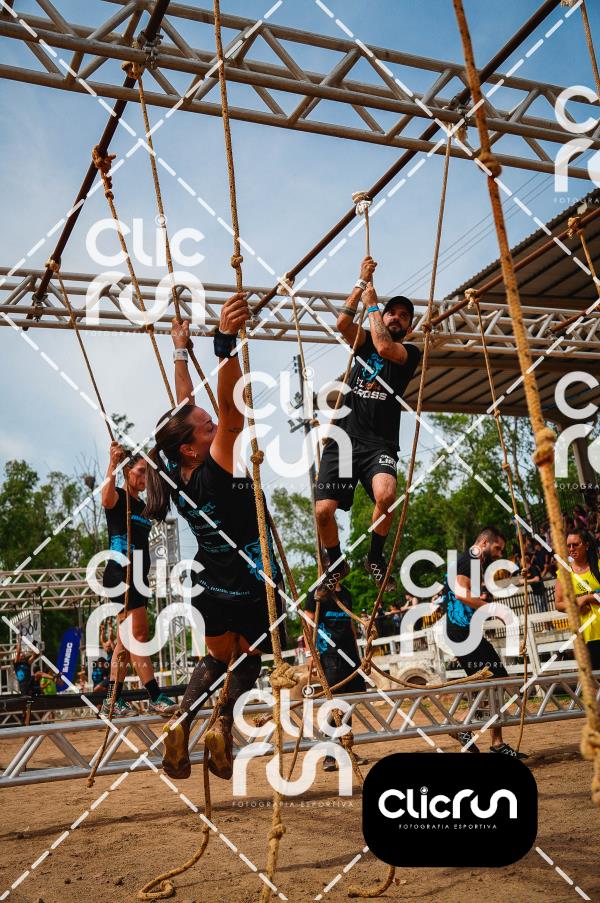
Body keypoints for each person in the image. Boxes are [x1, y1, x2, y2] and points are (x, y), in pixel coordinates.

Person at [145, 296, 286, 781]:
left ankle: (183, 720)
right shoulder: (218, 469)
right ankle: (221, 726)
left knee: (214, 658)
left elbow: (188, 411)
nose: (213, 427)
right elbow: (230, 411)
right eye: (207, 429)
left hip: (210, 584)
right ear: (193, 447)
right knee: (248, 660)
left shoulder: (174, 469)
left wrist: (180, 352)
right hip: (251, 581)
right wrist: (224, 346)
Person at [314, 256, 421, 597]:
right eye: (393, 312)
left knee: (386, 494)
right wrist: (360, 283)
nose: (396, 318)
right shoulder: (362, 342)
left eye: (403, 316)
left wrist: (373, 305)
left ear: (408, 328)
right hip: (344, 440)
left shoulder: (409, 353)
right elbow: (342, 323)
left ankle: (374, 556)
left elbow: (384, 346)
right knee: (323, 511)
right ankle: (335, 564)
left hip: (379, 444)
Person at [439, 526, 528, 758]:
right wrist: (494, 609)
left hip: (464, 632)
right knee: (497, 680)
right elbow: (461, 594)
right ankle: (477, 733)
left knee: (489, 685)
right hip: (462, 632)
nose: (499, 554)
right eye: (497, 548)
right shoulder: (470, 559)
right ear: (485, 542)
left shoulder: (472, 562)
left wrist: (519, 577)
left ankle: (467, 728)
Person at [101, 443, 175, 718]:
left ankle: (112, 700)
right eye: (141, 472)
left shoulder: (143, 506)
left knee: (126, 641)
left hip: (139, 578)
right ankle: (154, 696)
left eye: (148, 473)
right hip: (120, 574)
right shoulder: (118, 497)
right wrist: (113, 463)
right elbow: (105, 499)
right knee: (138, 636)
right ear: (127, 471)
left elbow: (165, 499)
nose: (145, 478)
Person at [304, 575, 367, 772]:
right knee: (335, 705)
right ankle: (329, 755)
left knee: (349, 704)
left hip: (350, 656)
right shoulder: (316, 593)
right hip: (329, 654)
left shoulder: (346, 593)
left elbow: (350, 626)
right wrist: (310, 653)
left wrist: (358, 655)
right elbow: (308, 623)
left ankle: (347, 750)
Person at [555, 529, 600, 670]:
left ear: (586, 545)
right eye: (568, 545)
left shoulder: (598, 566)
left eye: (575, 544)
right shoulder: (564, 573)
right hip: (584, 635)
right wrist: (575, 604)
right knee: (594, 678)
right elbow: (558, 604)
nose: (571, 549)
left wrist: (587, 598)